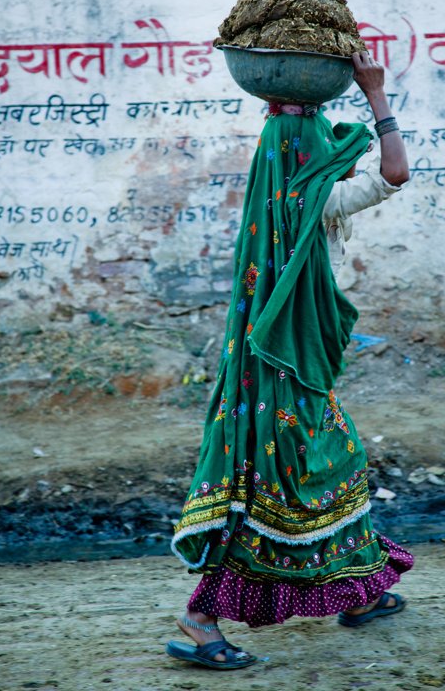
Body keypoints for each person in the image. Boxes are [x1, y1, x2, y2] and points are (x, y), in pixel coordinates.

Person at [167, 51, 413, 670]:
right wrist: (377, 96)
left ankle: (360, 591)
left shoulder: (272, 195)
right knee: (302, 475)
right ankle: (200, 618)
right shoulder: (321, 197)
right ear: (314, 150)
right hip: (291, 367)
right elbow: (395, 172)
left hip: (270, 365)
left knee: (325, 466)